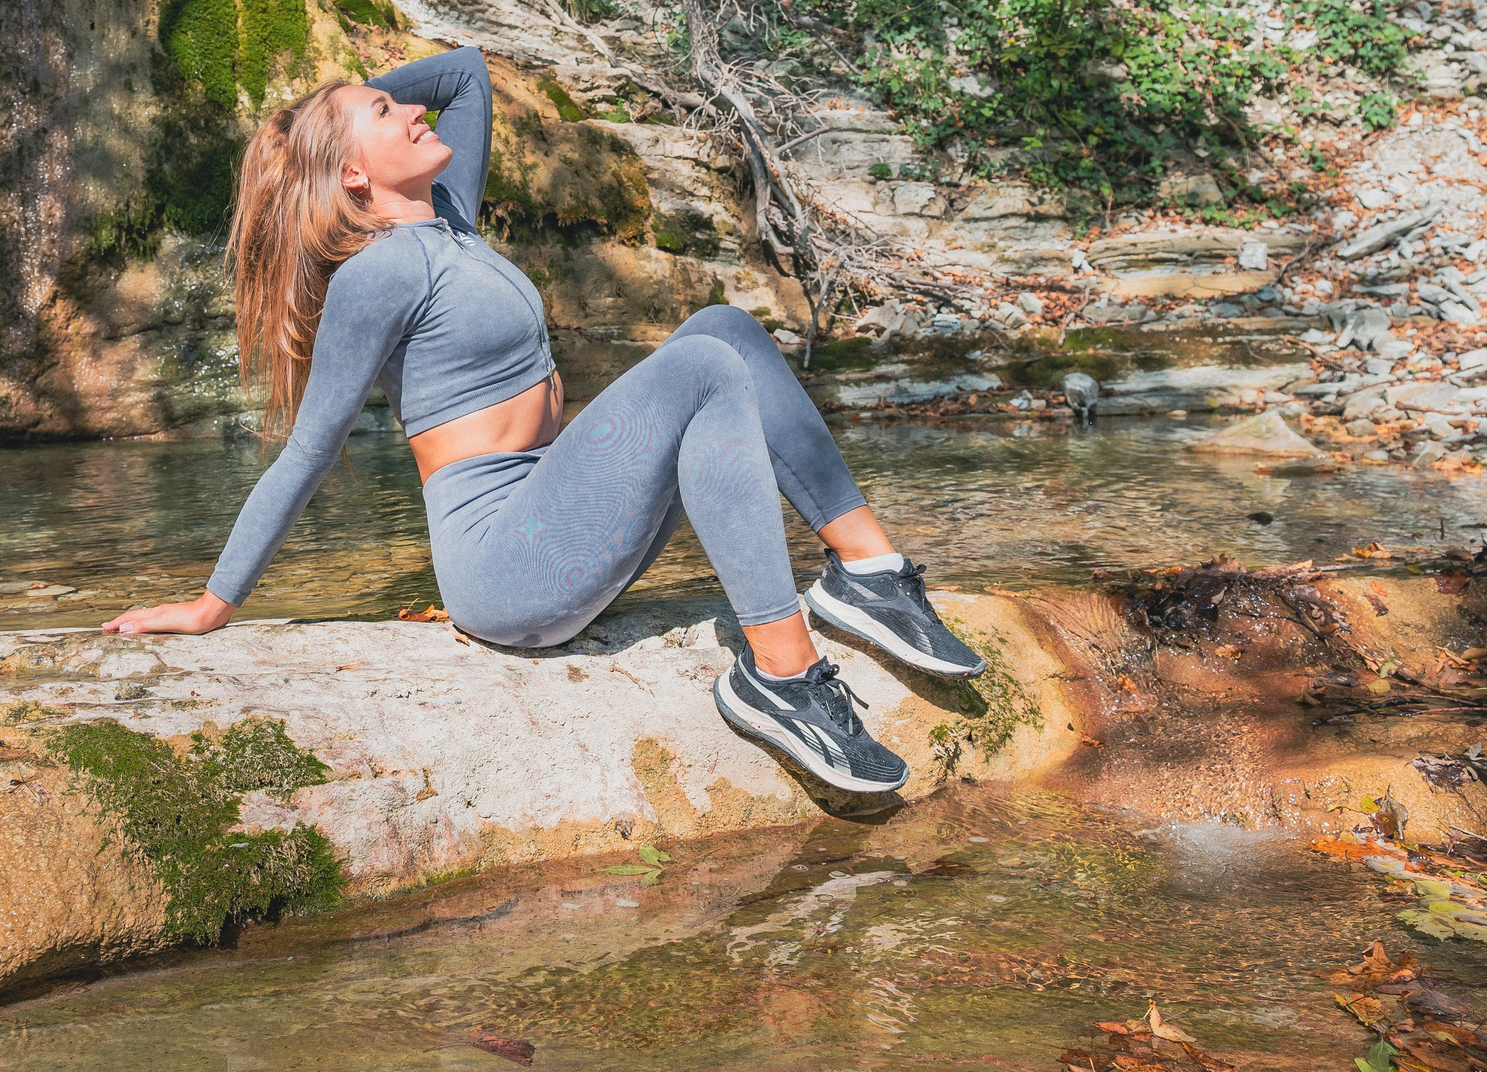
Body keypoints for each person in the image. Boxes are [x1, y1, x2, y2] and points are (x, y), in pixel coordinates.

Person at [101, 48, 982, 792]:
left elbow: (466, 77)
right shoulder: (377, 274)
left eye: (397, 101)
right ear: (353, 175)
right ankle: (782, 675)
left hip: (552, 509)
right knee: (704, 366)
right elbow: (307, 450)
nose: (412, 108)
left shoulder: (449, 223)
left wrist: (328, 117)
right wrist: (213, 604)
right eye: (385, 110)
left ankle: (868, 567)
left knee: (724, 329)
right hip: (504, 564)